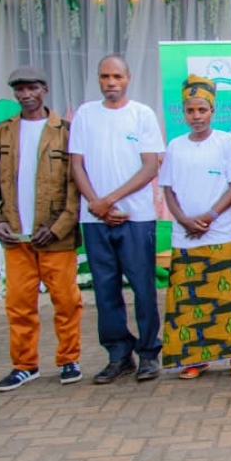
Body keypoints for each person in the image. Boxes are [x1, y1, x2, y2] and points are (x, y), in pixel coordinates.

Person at [0, 66, 84, 391]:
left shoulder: (65, 130)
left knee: (66, 301)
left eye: (32, 88)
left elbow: (75, 186)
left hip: (55, 237)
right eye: (20, 89)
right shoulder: (2, 131)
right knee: (19, 303)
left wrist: (59, 227)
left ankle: (69, 360)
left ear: (45, 89)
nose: (26, 95)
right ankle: (25, 365)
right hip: (16, 236)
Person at [70, 54, 164, 384]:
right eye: (105, 76)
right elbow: (77, 165)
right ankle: (118, 354)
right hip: (95, 219)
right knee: (106, 290)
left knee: (142, 288)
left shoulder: (142, 115)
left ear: (128, 78)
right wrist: (96, 205)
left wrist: (108, 200)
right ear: (98, 79)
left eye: (117, 77)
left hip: (135, 217)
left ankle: (149, 354)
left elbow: (151, 166)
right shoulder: (85, 114)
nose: (111, 82)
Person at [159, 75, 231, 379]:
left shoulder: (227, 142)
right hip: (186, 235)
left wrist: (210, 216)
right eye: (190, 111)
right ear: (183, 114)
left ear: (212, 110)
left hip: (221, 232)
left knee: (228, 299)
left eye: (202, 110)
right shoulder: (175, 146)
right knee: (190, 300)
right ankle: (194, 359)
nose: (196, 116)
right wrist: (184, 220)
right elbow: (168, 190)